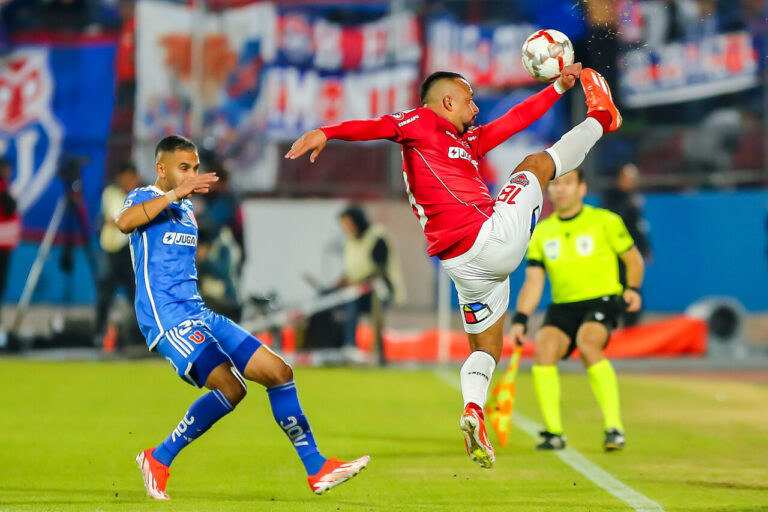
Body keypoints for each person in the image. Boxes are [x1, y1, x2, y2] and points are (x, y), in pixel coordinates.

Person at [286, 65, 622, 468]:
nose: (476, 109)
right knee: (535, 164)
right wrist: (328, 132)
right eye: (469, 100)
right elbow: (377, 126)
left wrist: (557, 88)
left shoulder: (467, 141)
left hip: (464, 266)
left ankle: (473, 409)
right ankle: (601, 118)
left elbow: (514, 119)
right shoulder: (421, 122)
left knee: (486, 348)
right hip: (488, 238)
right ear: (447, 102)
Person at [117, 135, 369, 500]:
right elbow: (124, 223)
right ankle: (159, 458)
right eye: (183, 168)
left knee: (279, 372)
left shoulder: (188, 211)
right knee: (230, 388)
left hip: (199, 313)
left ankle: (317, 468)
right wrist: (174, 193)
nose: (191, 175)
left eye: (195, 168)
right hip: (168, 319)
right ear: (161, 168)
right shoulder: (144, 196)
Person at [510, 169, 644, 451]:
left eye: (567, 183)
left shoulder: (605, 221)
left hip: (602, 300)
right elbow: (533, 282)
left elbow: (634, 260)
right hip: (563, 306)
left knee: (588, 342)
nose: (560, 189)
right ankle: (554, 433)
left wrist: (632, 288)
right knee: (544, 348)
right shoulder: (542, 232)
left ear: (582, 189)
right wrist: (520, 319)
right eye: (555, 184)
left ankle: (614, 428)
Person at [337, 204, 406, 351]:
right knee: (331, 299)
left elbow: (380, 269)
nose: (346, 228)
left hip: (379, 289)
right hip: (356, 289)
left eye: (348, 224)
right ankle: (331, 344)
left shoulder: (376, 236)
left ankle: (352, 346)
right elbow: (351, 269)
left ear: (356, 221)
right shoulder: (349, 241)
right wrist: (342, 282)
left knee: (352, 302)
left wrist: (357, 283)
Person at [95, 161, 140, 346]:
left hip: (132, 253)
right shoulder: (111, 193)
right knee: (105, 295)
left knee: (137, 296)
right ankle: (99, 334)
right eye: (126, 179)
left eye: (132, 179)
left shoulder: (142, 195)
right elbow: (118, 219)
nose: (129, 182)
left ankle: (142, 335)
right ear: (120, 178)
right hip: (112, 252)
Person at [602, 163, 652, 326]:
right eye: (629, 178)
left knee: (633, 284)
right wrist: (630, 206)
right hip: (616, 251)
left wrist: (645, 247)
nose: (632, 182)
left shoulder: (634, 197)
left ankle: (631, 322)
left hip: (632, 249)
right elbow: (614, 219)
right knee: (617, 286)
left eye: (634, 179)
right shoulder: (612, 197)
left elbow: (637, 226)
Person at [0, 158, 19, 325]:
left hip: (5, 244)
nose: (8, 172)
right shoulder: (2, 188)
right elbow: (10, 207)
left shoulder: (5, 187)